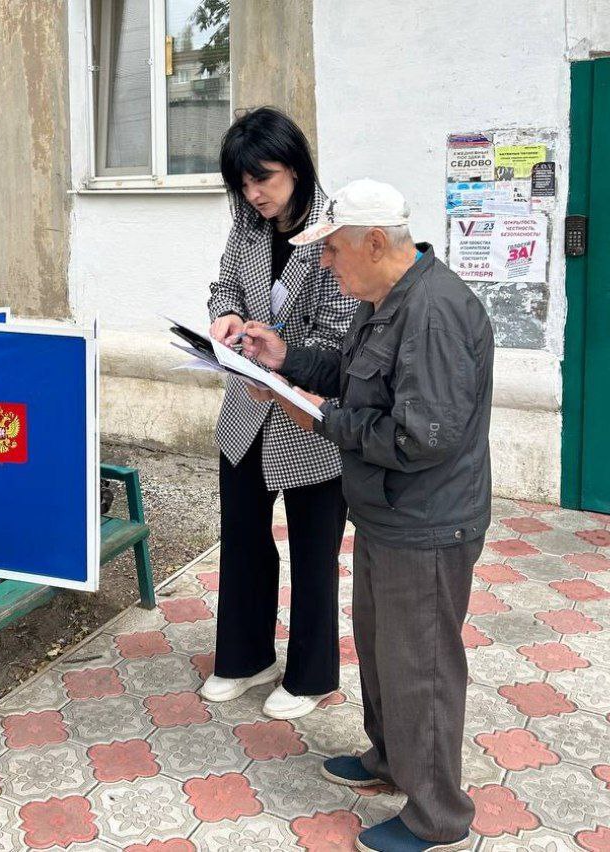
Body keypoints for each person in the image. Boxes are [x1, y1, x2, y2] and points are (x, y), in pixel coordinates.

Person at [238, 178, 494, 852]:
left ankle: (439, 820)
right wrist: (284, 357)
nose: (325, 264)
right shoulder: (384, 299)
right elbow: (352, 371)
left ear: (375, 242)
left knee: (424, 668)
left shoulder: (434, 311)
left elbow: (423, 434)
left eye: (333, 252)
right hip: (388, 514)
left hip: (428, 522)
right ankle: (389, 761)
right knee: (385, 652)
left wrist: (322, 420)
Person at [201, 107, 358, 720]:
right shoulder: (245, 226)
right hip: (245, 412)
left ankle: (312, 674)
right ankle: (244, 657)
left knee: (313, 551)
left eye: (262, 178)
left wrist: (283, 355)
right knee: (242, 538)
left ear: (293, 166)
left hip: (309, 418)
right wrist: (227, 319)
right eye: (242, 183)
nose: (254, 193)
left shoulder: (331, 228)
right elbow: (223, 288)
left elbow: (345, 334)